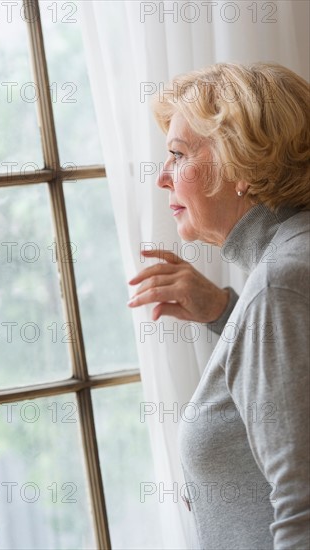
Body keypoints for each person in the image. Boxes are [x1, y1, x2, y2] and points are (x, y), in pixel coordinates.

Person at [127, 62, 310, 549]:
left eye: (178, 154)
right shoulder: (290, 264)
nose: (163, 177)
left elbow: (303, 507)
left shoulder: (280, 284)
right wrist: (224, 310)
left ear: (240, 166)